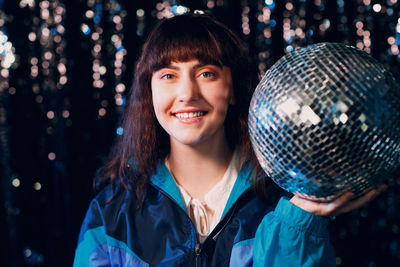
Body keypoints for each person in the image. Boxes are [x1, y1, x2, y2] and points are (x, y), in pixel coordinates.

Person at [73, 13, 386, 266]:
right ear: (149, 92)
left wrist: (299, 222)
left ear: (233, 88)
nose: (187, 94)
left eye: (206, 73)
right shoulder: (111, 214)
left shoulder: (286, 200)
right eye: (169, 75)